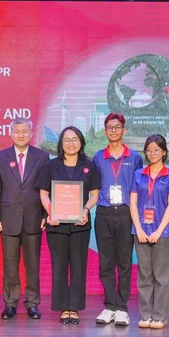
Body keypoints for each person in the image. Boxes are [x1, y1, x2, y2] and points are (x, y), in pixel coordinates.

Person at [40, 126, 100, 324]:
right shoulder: (51, 165)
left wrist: (85, 210)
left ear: (81, 142)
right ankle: (62, 307)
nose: (71, 143)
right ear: (61, 143)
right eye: (67, 140)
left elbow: (94, 195)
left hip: (80, 224)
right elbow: (43, 193)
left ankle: (73, 307)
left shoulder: (89, 166)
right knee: (58, 266)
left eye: (75, 139)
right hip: (56, 224)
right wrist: (51, 211)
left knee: (78, 266)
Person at [0, 118, 49, 320]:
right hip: (8, 218)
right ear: (11, 134)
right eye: (17, 131)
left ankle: (32, 303)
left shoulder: (42, 156)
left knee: (33, 264)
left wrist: (46, 214)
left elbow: (46, 188)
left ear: (31, 134)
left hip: (34, 217)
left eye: (25, 131)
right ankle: (10, 303)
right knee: (10, 264)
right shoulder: (0, 157)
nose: (21, 135)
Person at [92, 113, 142, 326]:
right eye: (110, 128)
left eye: (117, 127)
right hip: (103, 213)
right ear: (105, 131)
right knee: (106, 262)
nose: (114, 131)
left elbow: (139, 189)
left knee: (124, 262)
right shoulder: (98, 157)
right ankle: (109, 306)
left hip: (125, 213)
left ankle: (121, 307)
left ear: (124, 130)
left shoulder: (135, 157)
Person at [130, 134, 169, 330]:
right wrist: (139, 228)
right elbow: (133, 203)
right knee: (144, 275)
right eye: (149, 150)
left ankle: (160, 316)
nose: (152, 153)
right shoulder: (138, 174)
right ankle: (145, 314)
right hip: (141, 231)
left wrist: (159, 231)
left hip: (162, 232)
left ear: (164, 152)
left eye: (156, 150)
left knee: (161, 276)